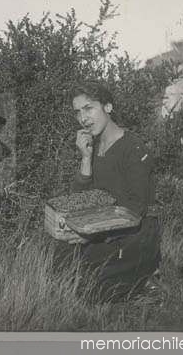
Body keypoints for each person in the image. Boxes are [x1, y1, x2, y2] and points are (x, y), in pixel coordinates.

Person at [71, 81, 161, 302]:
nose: (83, 118)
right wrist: (84, 157)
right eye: (78, 112)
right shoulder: (92, 148)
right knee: (66, 274)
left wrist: (93, 231)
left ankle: (146, 282)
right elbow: (80, 199)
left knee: (94, 292)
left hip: (135, 232)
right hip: (106, 230)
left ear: (108, 107)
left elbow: (136, 208)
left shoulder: (133, 148)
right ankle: (136, 280)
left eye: (89, 108)